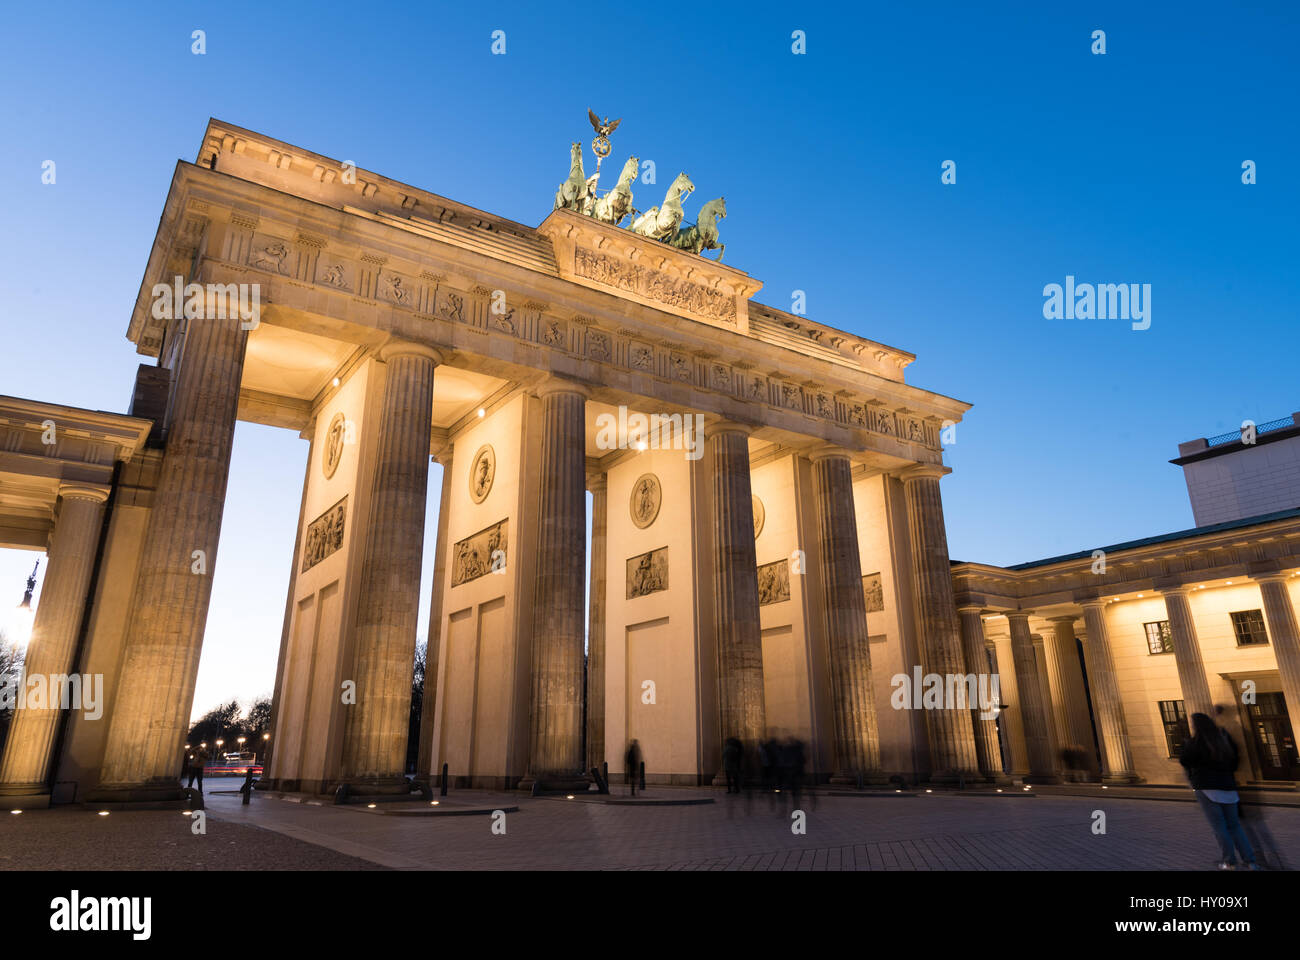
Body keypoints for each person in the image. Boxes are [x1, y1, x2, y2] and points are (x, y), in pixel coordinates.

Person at [1180, 712, 1259, 870]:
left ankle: (1229, 862)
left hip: (1206, 788)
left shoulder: (1196, 742)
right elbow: (1235, 762)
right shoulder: (1223, 741)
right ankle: (1250, 861)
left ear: (1197, 726)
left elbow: (1184, 760)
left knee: (1219, 827)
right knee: (1235, 826)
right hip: (1228, 787)